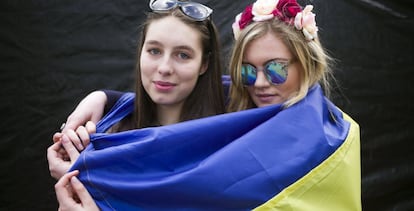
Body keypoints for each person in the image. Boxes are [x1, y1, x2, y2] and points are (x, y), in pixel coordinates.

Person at [54, 0, 361, 210]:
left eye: (277, 69)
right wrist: (104, 98)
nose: (261, 83)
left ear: (205, 64)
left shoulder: (325, 139)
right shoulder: (108, 135)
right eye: (248, 71)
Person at [47, 0, 225, 180]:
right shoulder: (109, 133)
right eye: (154, 51)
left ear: (204, 64)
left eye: (183, 55)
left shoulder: (229, 137)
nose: (164, 68)